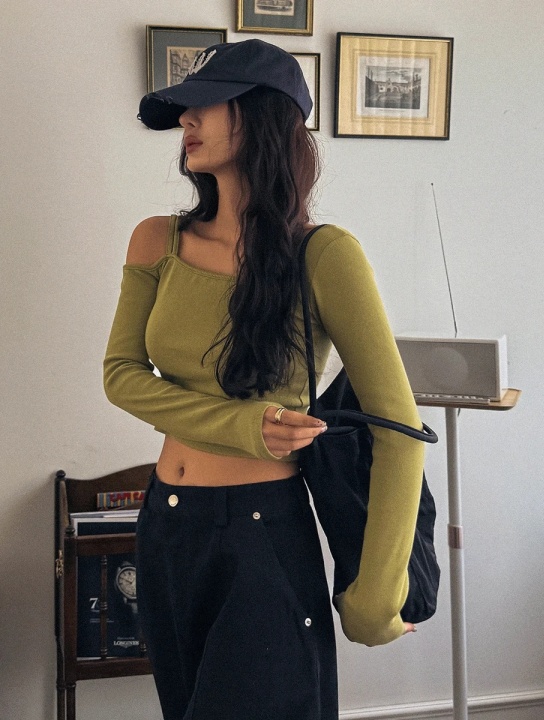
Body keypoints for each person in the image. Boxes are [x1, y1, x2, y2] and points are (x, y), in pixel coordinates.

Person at [104, 39, 424, 720]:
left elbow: (400, 431)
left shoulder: (326, 255)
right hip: (165, 528)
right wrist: (244, 425)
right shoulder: (156, 240)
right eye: (182, 109)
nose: (185, 121)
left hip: (262, 533)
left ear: (261, 115)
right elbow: (121, 376)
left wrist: (375, 598)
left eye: (204, 104)